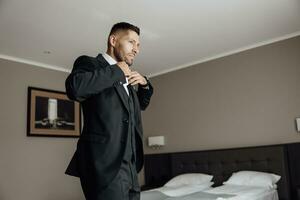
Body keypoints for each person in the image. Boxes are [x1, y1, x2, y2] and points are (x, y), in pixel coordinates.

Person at [64, 22, 153, 200]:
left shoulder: (128, 77)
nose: (136, 49)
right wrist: (116, 71)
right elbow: (75, 89)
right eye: (131, 42)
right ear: (113, 40)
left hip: (131, 169)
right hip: (103, 166)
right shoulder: (90, 64)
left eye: (138, 45)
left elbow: (140, 106)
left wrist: (145, 84)